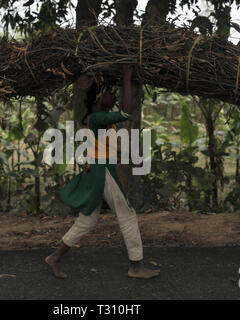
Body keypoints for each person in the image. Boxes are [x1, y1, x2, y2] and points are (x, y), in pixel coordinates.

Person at [45, 65, 160, 279]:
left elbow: (104, 146)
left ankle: (55, 257)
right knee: (128, 215)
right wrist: (127, 77)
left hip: (97, 171)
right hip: (101, 173)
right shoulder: (97, 118)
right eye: (110, 93)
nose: (113, 97)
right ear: (100, 95)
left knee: (88, 220)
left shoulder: (98, 119)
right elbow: (126, 112)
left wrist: (115, 153)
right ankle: (135, 267)